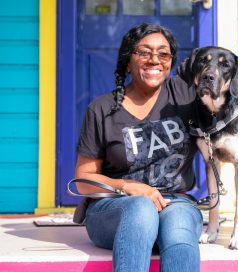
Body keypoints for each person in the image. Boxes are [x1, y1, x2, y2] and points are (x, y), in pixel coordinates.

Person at [74, 23, 203, 272]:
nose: (154, 60)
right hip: (113, 208)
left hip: (173, 203)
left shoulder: (186, 94)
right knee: (141, 207)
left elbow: (225, 80)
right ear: (127, 61)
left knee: (178, 225)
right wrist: (128, 186)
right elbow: (83, 180)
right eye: (144, 52)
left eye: (163, 54)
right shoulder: (102, 109)